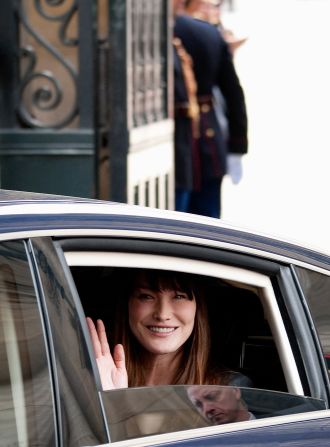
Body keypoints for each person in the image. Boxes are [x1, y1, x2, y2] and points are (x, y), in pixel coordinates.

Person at [87, 269, 248, 390]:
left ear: (197, 309)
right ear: (127, 305)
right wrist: (106, 401)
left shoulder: (228, 389)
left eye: (179, 296)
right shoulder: (94, 378)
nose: (162, 314)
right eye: (146, 296)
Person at [173, 1, 248, 218]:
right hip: (207, 138)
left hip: (187, 140)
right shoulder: (208, 33)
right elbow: (233, 93)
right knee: (206, 225)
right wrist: (237, 145)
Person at [187, 385, 255, 425]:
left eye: (212, 396)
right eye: (198, 404)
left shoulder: (265, 424)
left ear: (235, 391)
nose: (207, 409)